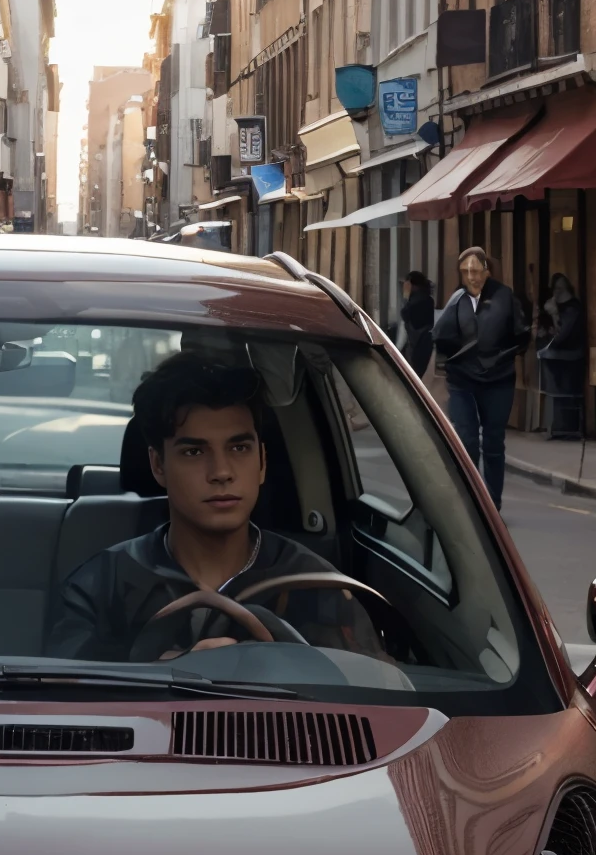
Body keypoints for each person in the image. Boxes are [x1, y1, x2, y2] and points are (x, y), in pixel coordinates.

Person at [47, 351, 380, 663]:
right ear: (158, 465)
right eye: (194, 452)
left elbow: (373, 701)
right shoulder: (101, 586)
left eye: (239, 448)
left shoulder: (318, 587)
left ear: (262, 462)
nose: (221, 472)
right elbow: (59, 702)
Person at [432, 244, 528, 505]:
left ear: (487, 271)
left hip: (498, 380)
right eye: (465, 272)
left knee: (494, 444)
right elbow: (441, 336)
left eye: (476, 271)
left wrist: (503, 355)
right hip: (463, 380)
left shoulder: (504, 297)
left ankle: (493, 505)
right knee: (468, 441)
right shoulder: (457, 299)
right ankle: (473, 504)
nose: (471, 277)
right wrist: (452, 354)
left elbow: (521, 335)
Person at [538, 273, 587, 441]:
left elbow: (564, 334)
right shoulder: (563, 307)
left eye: (559, 289)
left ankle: (564, 426)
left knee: (563, 392)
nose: (556, 293)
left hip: (570, 355)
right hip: (564, 354)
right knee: (556, 391)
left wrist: (554, 315)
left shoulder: (572, 308)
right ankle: (559, 425)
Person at [397, 270, 436, 378]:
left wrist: (405, 296)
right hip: (423, 342)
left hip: (419, 343)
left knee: (414, 375)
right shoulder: (428, 299)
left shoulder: (419, 300)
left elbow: (405, 314)